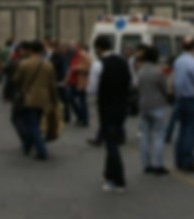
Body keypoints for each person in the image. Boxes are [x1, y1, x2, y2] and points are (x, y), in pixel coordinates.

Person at [93, 34, 132, 192]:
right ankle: (108, 174)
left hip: (106, 108)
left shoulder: (99, 65)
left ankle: (118, 180)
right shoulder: (123, 62)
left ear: (99, 48)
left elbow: (92, 88)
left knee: (111, 145)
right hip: (122, 107)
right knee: (113, 141)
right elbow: (131, 81)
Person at [12, 40, 58, 160]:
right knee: (35, 123)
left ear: (31, 50)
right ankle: (27, 146)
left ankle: (42, 151)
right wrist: (54, 100)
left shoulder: (24, 64)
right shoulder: (48, 65)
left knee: (32, 125)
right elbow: (52, 84)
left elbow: (16, 80)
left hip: (28, 97)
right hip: (44, 98)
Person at [172, 35, 194, 172]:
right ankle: (188, 161)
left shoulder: (178, 61)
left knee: (182, 130)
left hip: (180, 99)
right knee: (191, 131)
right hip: (192, 100)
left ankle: (179, 159)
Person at [136, 45, 170, 175]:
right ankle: (158, 164)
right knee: (159, 136)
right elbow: (164, 88)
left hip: (144, 105)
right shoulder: (158, 72)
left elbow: (137, 86)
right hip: (157, 105)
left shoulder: (140, 71)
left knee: (145, 136)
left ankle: (146, 164)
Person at [66, 42, 92, 127]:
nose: (71, 49)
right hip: (73, 81)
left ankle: (84, 119)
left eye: (73, 47)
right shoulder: (73, 56)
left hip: (80, 81)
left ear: (78, 47)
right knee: (71, 99)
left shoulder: (83, 55)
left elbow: (88, 67)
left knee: (81, 101)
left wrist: (76, 68)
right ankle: (80, 116)